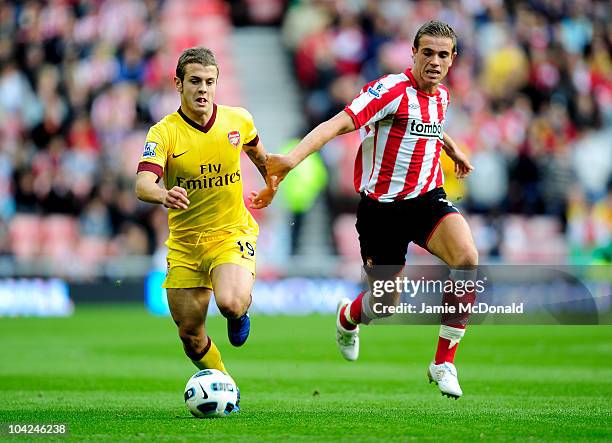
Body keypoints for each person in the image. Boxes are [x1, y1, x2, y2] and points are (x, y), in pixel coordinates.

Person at [266, 21, 477, 399]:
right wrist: (291, 160)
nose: (434, 61)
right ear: (413, 53)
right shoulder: (390, 90)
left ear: (452, 60)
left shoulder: (442, 96)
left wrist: (452, 147)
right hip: (382, 212)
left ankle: (443, 361)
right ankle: (349, 316)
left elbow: (429, 123)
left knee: (467, 257)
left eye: (442, 55)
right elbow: (337, 124)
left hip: (427, 200)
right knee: (384, 305)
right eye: (427, 52)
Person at [135, 47, 276, 392]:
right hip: (185, 246)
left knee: (229, 303)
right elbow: (142, 184)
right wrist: (162, 194)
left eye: (209, 82)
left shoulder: (237, 120)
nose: (203, 89)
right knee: (190, 336)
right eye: (195, 81)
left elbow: (260, 154)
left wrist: (270, 184)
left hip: (230, 232)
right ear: (178, 84)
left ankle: (241, 312)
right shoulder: (163, 133)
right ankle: (227, 386)